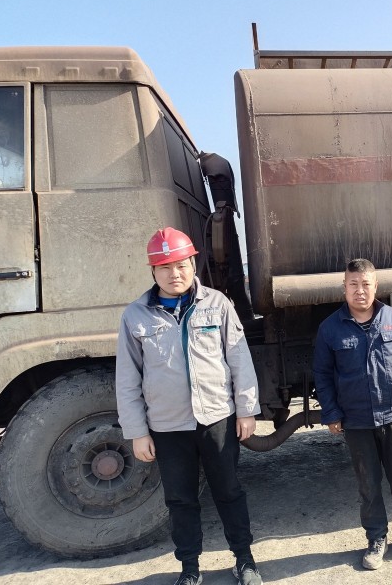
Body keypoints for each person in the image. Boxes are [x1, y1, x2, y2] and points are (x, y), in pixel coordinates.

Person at [116, 227, 263, 585]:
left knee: (229, 491)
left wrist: (246, 409)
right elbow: (127, 379)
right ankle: (190, 569)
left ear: (193, 264)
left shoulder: (217, 304)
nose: (174, 273)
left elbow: (239, 359)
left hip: (216, 419)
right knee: (180, 500)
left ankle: (244, 561)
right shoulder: (135, 316)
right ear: (153, 271)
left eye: (181, 265)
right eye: (165, 267)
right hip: (167, 427)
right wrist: (137, 432)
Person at [313, 258, 392, 570]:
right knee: (368, 486)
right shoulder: (330, 329)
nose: (360, 290)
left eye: (366, 284)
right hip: (356, 420)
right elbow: (322, 376)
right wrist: (331, 413)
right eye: (353, 284)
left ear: (375, 286)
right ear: (344, 287)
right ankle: (376, 538)